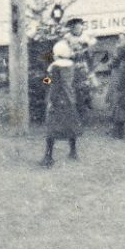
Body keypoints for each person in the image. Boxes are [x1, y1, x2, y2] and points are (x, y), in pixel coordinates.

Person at [41, 37, 84, 166]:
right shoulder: (71, 66)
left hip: (57, 100)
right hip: (70, 99)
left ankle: (48, 157)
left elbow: (52, 84)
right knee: (71, 125)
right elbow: (73, 82)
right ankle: (73, 152)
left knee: (52, 127)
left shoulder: (54, 67)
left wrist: (44, 80)